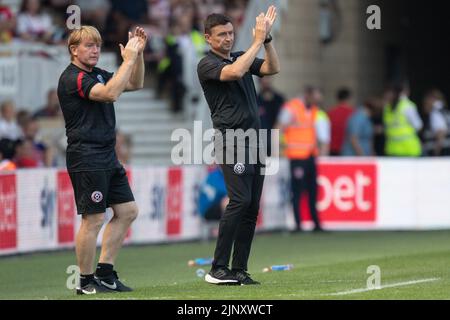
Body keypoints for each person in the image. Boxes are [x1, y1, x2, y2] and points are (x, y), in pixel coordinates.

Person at [57, 25, 147, 295]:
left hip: (106, 154)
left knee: (128, 211)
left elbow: (134, 83)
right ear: (74, 50)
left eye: (97, 45)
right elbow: (110, 93)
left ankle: (105, 274)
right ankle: (85, 282)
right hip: (87, 156)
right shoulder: (73, 77)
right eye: (88, 45)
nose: (95, 49)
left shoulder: (95, 73)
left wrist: (138, 55)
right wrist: (128, 60)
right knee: (93, 219)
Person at [197, 7, 280, 285]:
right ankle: (217, 268)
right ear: (208, 38)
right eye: (222, 34)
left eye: (231, 33)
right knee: (240, 200)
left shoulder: (239, 57)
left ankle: (239, 269)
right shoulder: (207, 64)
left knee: (252, 206)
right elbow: (233, 73)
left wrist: (266, 41)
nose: (228, 38)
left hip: (255, 141)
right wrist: (256, 40)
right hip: (231, 140)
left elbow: (271, 68)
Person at [278, 86, 326, 232]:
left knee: (313, 191)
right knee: (297, 192)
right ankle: (297, 224)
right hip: (296, 156)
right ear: (307, 95)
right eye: (315, 98)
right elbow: (279, 127)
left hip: (310, 155)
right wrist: (279, 149)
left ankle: (316, 224)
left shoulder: (313, 110)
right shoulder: (291, 107)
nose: (317, 101)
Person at [383, 84, 422, 157]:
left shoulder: (406, 106)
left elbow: (418, 126)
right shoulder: (387, 108)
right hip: (394, 150)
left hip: (408, 150)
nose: (386, 95)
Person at [257, 76, 285, 156]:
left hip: (277, 138)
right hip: (260, 139)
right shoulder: (256, 99)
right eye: (263, 79)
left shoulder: (279, 99)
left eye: (267, 78)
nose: (266, 81)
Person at [420, 89, 449, 156]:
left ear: (431, 100)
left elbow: (440, 133)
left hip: (442, 153)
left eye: (425, 103)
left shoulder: (435, 114)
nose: (424, 106)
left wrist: (436, 154)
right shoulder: (444, 112)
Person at [327, 87, 354, 156]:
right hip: (347, 149)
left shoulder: (330, 113)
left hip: (332, 148)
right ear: (349, 98)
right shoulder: (352, 113)